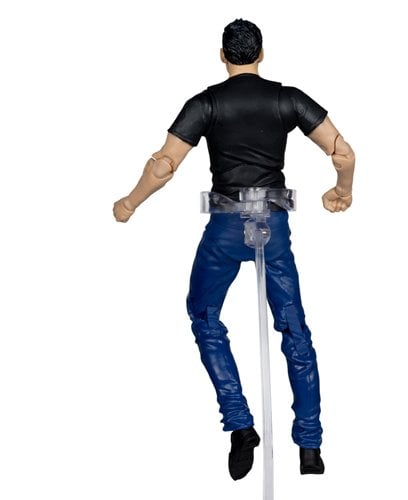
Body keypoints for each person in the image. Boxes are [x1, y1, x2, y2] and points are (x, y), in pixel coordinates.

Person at [113, 19, 355, 480]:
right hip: (274, 226)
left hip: (226, 227)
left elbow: (163, 166)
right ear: (261, 54)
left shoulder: (205, 103)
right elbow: (343, 152)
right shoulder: (288, 99)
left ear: (222, 56)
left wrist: (130, 203)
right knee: (294, 329)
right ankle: (310, 446)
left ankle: (240, 424)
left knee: (204, 314)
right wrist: (342, 189)